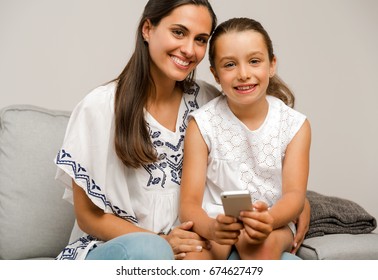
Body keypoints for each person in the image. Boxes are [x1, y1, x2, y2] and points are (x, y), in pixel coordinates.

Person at [54, 0, 309, 260]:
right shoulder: (99, 107)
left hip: (193, 244)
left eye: (200, 39)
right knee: (151, 251)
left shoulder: (209, 101)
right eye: (178, 32)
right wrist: (162, 241)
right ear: (147, 29)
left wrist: (297, 203)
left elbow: (256, 162)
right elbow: (88, 217)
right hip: (122, 247)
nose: (189, 49)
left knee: (285, 262)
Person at [179, 17, 311, 260]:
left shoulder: (294, 125)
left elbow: (294, 195)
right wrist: (212, 228)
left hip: (271, 220)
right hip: (215, 220)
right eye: (229, 65)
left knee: (256, 243)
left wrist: (268, 219)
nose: (243, 74)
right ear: (216, 74)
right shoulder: (202, 124)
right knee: (193, 257)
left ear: (271, 65)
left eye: (254, 61)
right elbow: (189, 203)